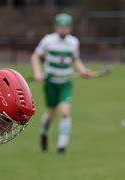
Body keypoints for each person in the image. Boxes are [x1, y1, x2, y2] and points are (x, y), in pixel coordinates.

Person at [31, 13, 96, 153]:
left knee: (65, 112)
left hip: (66, 82)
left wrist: (83, 70)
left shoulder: (73, 42)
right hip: (50, 83)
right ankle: (44, 132)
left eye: (65, 27)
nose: (63, 30)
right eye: (60, 27)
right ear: (56, 27)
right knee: (50, 113)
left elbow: (75, 59)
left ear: (70, 28)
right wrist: (37, 72)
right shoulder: (48, 40)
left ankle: (62, 145)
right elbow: (36, 56)